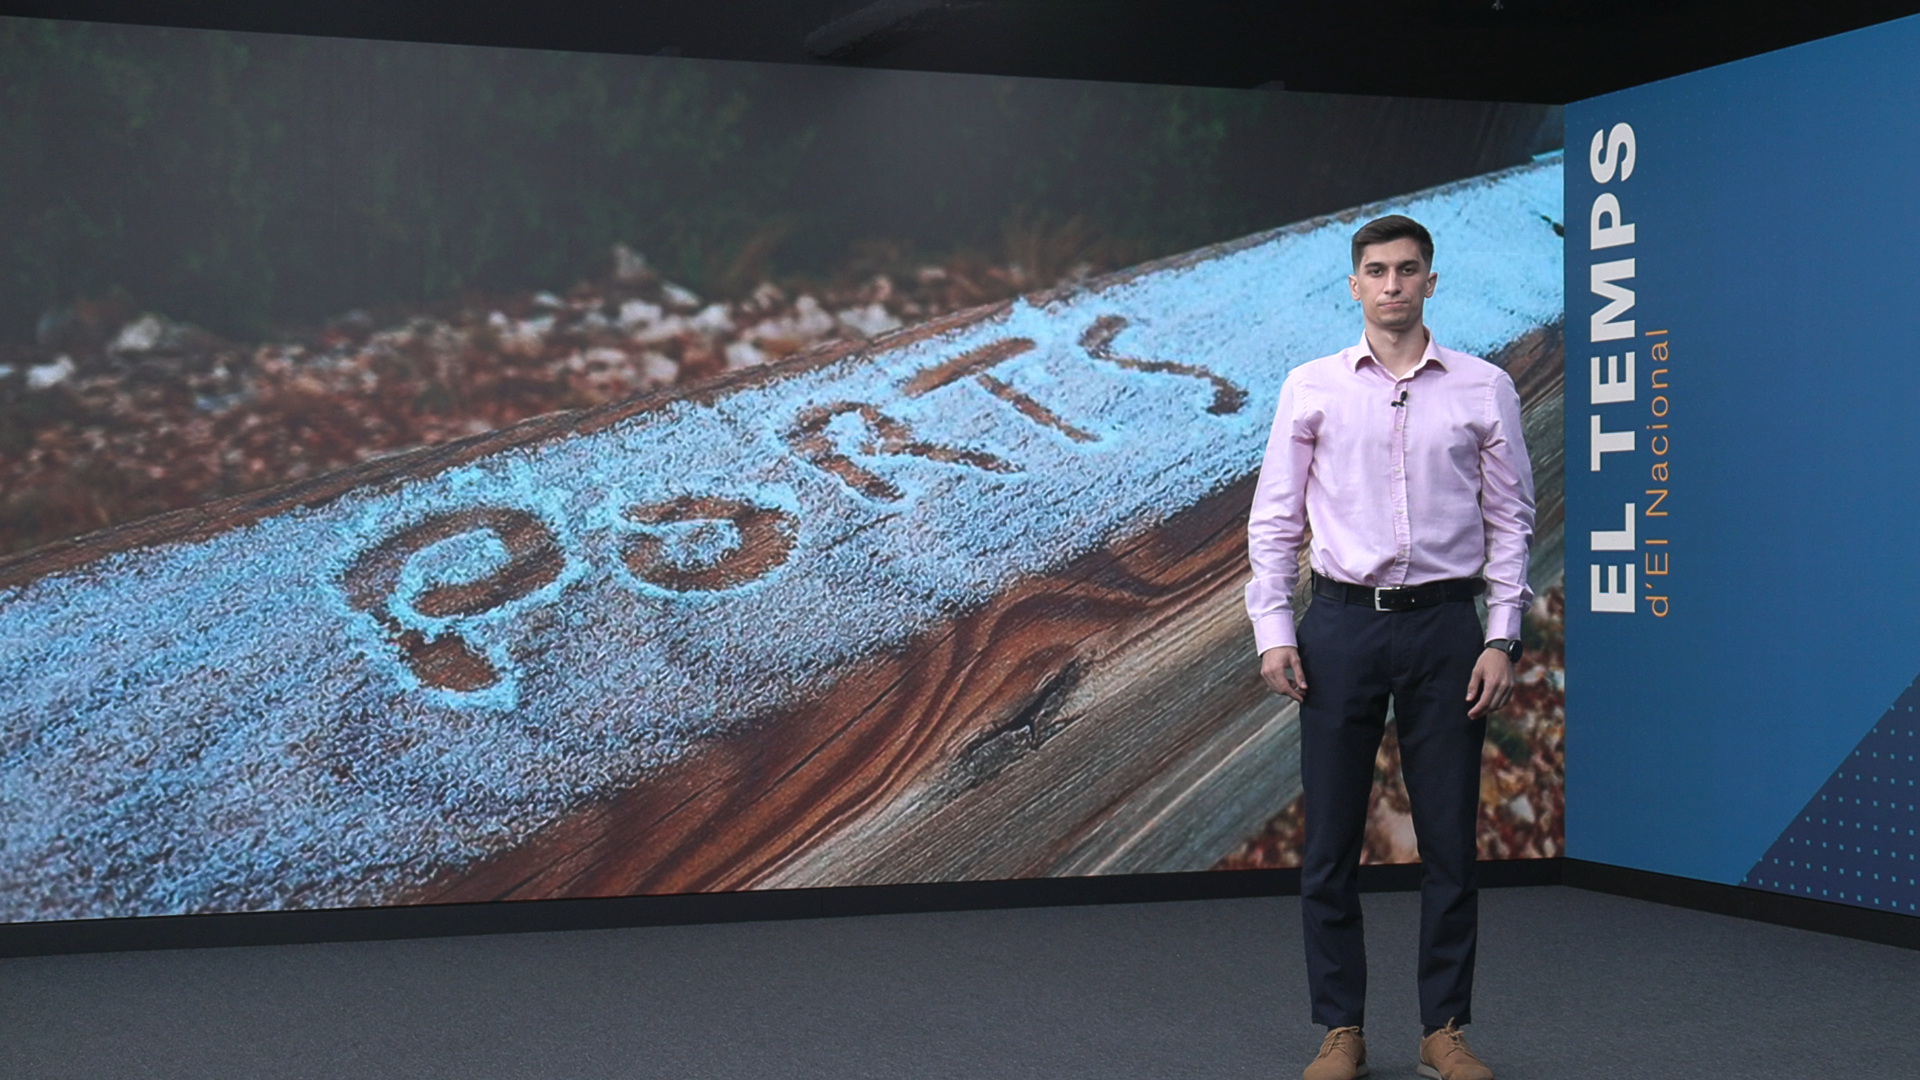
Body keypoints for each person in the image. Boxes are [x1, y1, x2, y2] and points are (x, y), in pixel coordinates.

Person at [1245, 214, 1534, 1080]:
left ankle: (1443, 1028)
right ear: (1355, 285)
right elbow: (1275, 520)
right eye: (1377, 271)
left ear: (1432, 281)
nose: (1394, 285)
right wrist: (1272, 628)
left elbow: (1511, 520)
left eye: (1409, 270)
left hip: (1449, 630)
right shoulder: (1312, 388)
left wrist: (1502, 636)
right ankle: (1341, 1029)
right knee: (1331, 842)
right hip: (1338, 626)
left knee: (1449, 839)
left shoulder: (1485, 387)